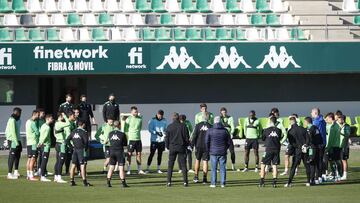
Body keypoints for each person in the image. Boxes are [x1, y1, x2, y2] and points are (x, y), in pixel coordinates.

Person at [206, 116, 232, 188]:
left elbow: (206, 142)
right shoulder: (225, 130)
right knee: (223, 168)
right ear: (220, 122)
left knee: (213, 168)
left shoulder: (210, 130)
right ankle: (223, 183)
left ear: (214, 122)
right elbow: (229, 142)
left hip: (213, 152)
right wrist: (225, 148)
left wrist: (209, 150)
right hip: (222, 152)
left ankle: (213, 183)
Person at [285, 117, 311, 187]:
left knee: (294, 166)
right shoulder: (303, 129)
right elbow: (308, 139)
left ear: (290, 122)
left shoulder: (290, 131)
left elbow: (291, 143)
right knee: (307, 165)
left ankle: (289, 183)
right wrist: (305, 145)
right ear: (296, 121)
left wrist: (299, 147)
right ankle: (309, 181)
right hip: (305, 149)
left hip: (297, 150)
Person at [165, 113, 190, 187]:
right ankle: (185, 182)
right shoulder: (183, 126)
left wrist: (167, 146)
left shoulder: (169, 126)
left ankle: (169, 182)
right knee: (183, 165)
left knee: (170, 166)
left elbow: (167, 138)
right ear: (179, 118)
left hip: (172, 147)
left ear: (172, 118)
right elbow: (186, 138)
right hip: (181, 147)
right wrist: (186, 145)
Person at [259, 116, 283, 188]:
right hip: (276, 149)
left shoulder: (266, 130)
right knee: (275, 166)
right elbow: (279, 138)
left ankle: (262, 182)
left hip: (268, 149)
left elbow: (263, 138)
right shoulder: (279, 130)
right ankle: (274, 183)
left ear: (270, 121)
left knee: (263, 164)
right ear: (276, 122)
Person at [66, 121, 92, 187]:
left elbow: (67, 140)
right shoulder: (84, 132)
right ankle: (84, 182)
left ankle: (72, 181)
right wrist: (86, 149)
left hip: (75, 150)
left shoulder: (73, 131)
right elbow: (86, 142)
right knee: (82, 166)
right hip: (81, 150)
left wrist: (71, 147)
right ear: (83, 125)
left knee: (73, 165)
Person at [107, 121, 129, 188]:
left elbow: (109, 142)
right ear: (119, 125)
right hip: (119, 152)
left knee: (111, 167)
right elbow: (125, 144)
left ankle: (108, 182)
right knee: (121, 168)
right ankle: (123, 183)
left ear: (114, 126)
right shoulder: (122, 134)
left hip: (112, 151)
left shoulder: (110, 133)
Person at [123, 106, 144, 175]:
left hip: (138, 139)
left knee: (139, 154)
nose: (136, 113)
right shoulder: (128, 119)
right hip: (131, 139)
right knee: (129, 155)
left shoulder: (140, 119)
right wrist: (128, 138)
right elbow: (125, 130)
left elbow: (140, 128)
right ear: (131, 112)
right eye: (135, 112)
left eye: (137, 111)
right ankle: (128, 170)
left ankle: (139, 169)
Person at [192, 112, 212, 184]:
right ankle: (204, 179)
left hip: (198, 145)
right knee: (205, 162)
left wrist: (192, 146)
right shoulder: (210, 126)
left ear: (202, 117)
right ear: (208, 118)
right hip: (207, 146)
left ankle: (196, 177)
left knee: (197, 160)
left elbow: (194, 136)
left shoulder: (198, 125)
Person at [146, 110, 167, 174]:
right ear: (157, 114)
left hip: (161, 141)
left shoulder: (164, 120)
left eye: (161, 115)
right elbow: (150, 129)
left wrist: (164, 134)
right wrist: (156, 132)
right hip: (154, 140)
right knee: (151, 154)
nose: (160, 116)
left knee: (160, 155)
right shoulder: (152, 120)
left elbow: (165, 129)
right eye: (159, 115)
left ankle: (158, 169)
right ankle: (147, 168)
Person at [304, 117, 323, 185]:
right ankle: (317, 179)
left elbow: (309, 140)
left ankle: (312, 180)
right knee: (317, 163)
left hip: (313, 148)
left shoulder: (310, 129)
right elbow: (320, 138)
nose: (304, 124)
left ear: (307, 122)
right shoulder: (316, 127)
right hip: (319, 147)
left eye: (304, 122)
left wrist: (306, 145)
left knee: (312, 164)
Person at [53, 112, 71, 183]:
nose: (64, 117)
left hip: (58, 143)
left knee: (58, 161)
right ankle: (59, 177)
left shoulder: (56, 123)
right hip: (61, 144)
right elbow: (68, 123)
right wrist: (65, 117)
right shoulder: (59, 123)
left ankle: (56, 176)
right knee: (61, 161)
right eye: (63, 116)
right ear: (60, 116)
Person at [5, 107, 22, 179]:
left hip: (17, 140)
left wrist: (18, 141)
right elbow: (12, 132)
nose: (20, 114)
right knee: (12, 156)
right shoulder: (11, 120)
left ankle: (15, 171)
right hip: (13, 140)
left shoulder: (17, 120)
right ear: (17, 113)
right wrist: (15, 141)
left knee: (17, 155)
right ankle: (9, 173)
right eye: (19, 113)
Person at [325, 112, 342, 181]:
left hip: (333, 146)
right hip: (334, 146)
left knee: (336, 161)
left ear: (330, 118)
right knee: (332, 161)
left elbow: (330, 138)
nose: (326, 120)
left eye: (326, 119)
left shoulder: (333, 126)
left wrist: (327, 147)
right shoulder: (329, 125)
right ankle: (335, 175)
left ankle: (338, 175)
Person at [311, 108, 327, 180]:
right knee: (320, 160)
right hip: (323, 142)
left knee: (318, 160)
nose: (311, 114)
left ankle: (318, 177)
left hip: (318, 143)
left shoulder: (316, 121)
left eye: (312, 112)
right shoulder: (322, 120)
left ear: (315, 113)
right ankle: (321, 175)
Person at [38, 114, 54, 182]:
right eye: (51, 118)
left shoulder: (43, 125)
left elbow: (41, 135)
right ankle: (42, 176)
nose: (52, 120)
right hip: (45, 146)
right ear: (47, 119)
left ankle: (42, 174)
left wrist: (40, 143)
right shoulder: (47, 127)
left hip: (43, 146)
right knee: (44, 161)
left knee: (43, 161)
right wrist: (40, 143)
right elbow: (44, 136)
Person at [25, 110, 40, 181]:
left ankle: (28, 175)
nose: (38, 116)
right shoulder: (33, 123)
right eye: (38, 115)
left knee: (29, 158)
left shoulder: (27, 121)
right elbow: (37, 132)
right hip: (33, 142)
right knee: (33, 159)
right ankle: (31, 175)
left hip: (28, 142)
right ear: (35, 114)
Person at [338, 115, 350, 180]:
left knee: (344, 160)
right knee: (339, 160)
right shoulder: (338, 125)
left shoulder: (347, 126)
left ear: (343, 119)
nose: (339, 120)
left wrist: (340, 133)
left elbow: (347, 135)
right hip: (338, 145)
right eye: (338, 119)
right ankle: (340, 174)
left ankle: (345, 175)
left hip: (344, 146)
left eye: (340, 119)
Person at [35, 108, 45, 176]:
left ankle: (42, 169)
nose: (43, 114)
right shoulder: (37, 120)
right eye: (42, 113)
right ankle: (36, 169)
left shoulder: (43, 120)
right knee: (36, 156)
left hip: (43, 140)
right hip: (38, 141)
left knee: (42, 155)